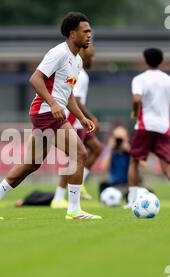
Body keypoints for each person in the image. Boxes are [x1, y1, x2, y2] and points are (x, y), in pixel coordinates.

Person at [0, 12, 101, 220]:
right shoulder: (59, 53)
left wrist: (81, 117)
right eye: (86, 31)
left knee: (31, 163)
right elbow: (35, 78)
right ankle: (73, 210)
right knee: (80, 153)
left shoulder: (77, 61)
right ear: (73, 34)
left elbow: (68, 95)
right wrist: (53, 103)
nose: (90, 35)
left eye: (90, 31)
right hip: (46, 112)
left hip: (47, 112)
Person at [126, 48, 170, 208]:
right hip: (163, 127)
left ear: (145, 60)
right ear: (161, 61)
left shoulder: (140, 79)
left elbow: (137, 99)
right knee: (167, 165)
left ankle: (131, 200)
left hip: (144, 125)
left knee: (134, 162)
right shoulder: (169, 80)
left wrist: (135, 113)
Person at [50, 43, 103, 209]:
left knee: (96, 149)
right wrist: (90, 117)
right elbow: (76, 100)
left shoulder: (80, 72)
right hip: (75, 120)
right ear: (85, 56)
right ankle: (59, 197)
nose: (92, 60)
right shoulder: (80, 73)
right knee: (73, 158)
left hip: (79, 120)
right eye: (91, 57)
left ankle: (80, 183)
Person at [99, 126, 131, 196]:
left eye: (121, 138)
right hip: (113, 184)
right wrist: (110, 150)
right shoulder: (109, 151)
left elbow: (142, 165)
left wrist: (129, 150)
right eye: (117, 138)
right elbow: (103, 168)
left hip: (129, 183)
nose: (119, 141)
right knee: (103, 185)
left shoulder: (131, 149)